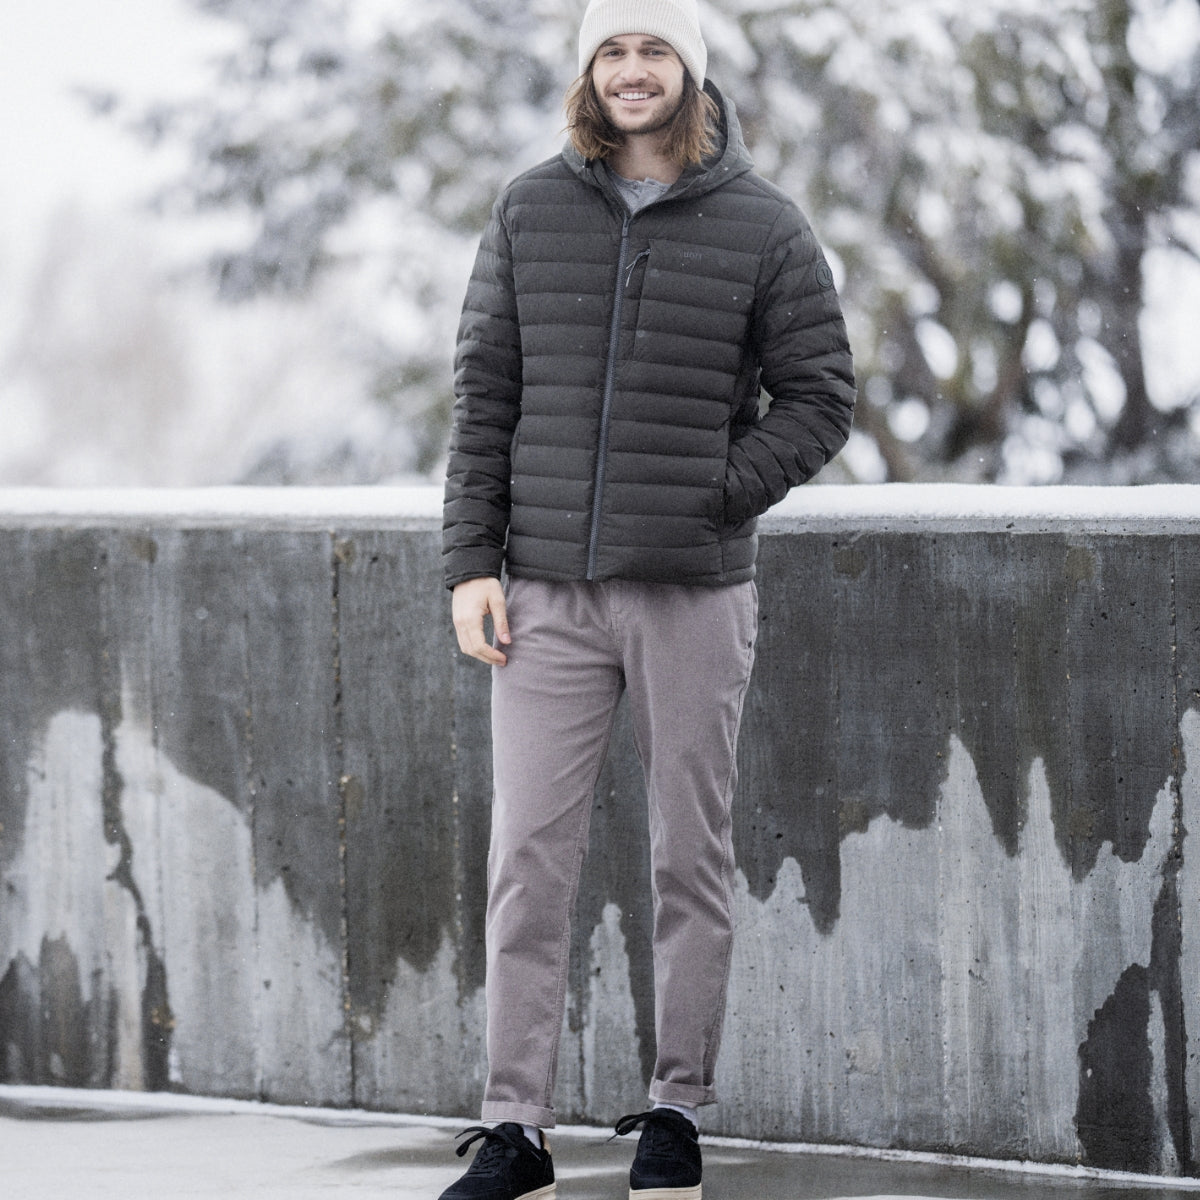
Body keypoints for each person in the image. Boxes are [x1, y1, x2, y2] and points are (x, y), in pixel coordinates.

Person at [440, 0, 854, 1195]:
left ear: (691, 70)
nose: (632, 69)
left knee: (690, 854)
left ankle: (677, 1109)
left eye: (654, 47)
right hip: (546, 592)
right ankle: (515, 1125)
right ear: (589, 70)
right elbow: (484, 397)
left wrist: (709, 496)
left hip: (693, 594)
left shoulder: (766, 224)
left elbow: (820, 399)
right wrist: (473, 562)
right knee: (528, 854)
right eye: (612, 49)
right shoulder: (530, 208)